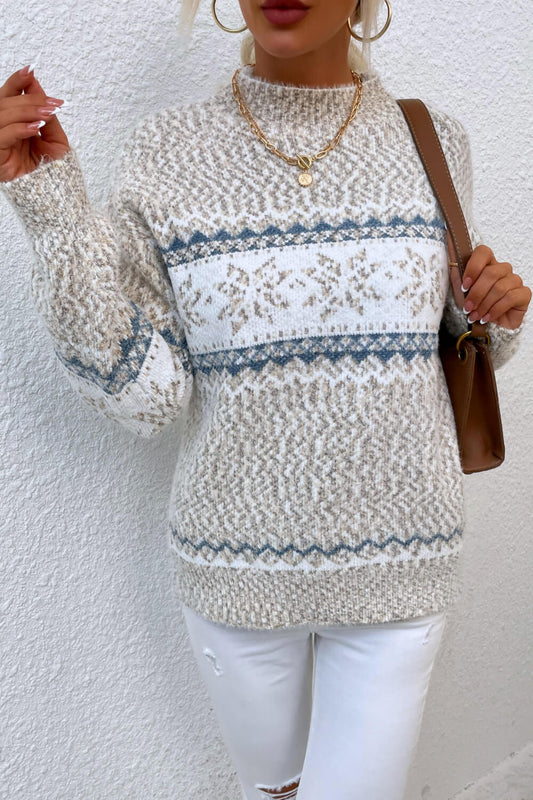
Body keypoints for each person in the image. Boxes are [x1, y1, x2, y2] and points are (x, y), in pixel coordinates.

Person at [0, 1, 530, 797]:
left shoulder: (431, 138)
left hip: (401, 562)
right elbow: (145, 398)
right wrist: (54, 216)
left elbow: (456, 340)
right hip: (233, 568)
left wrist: (495, 312)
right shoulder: (164, 151)